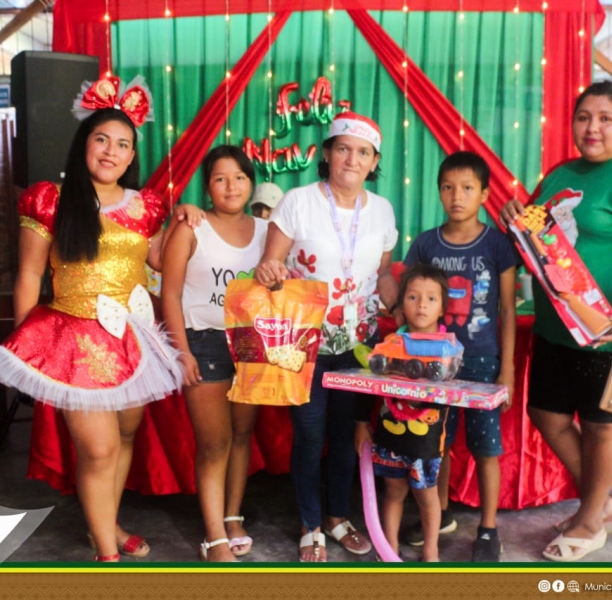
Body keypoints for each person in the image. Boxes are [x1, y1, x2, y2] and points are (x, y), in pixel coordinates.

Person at [0, 78, 190, 562]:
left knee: (123, 438)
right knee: (98, 451)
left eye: (123, 144)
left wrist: (188, 217)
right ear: (84, 144)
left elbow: (160, 262)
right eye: (102, 139)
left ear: (132, 155)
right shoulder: (50, 199)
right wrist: (27, 351)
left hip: (133, 340)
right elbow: (31, 274)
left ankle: (109, 525)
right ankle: (107, 556)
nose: (111, 151)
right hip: (73, 341)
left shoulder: (146, 206)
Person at [499, 81, 612, 561]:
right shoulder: (560, 173)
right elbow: (536, 239)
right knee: (546, 413)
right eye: (583, 116)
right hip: (556, 328)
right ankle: (599, 504)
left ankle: (590, 520)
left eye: (605, 118)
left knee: (602, 425)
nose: (592, 127)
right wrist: (514, 217)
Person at [255, 111, 398, 562]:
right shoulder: (298, 201)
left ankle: (338, 517)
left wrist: (406, 306)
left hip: (360, 344)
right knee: (310, 434)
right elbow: (270, 268)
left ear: (373, 161)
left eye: (362, 153)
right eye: (343, 149)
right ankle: (310, 523)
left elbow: (382, 275)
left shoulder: (382, 210)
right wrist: (270, 272)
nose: (351, 159)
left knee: (346, 434)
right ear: (327, 154)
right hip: (305, 343)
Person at [398, 151, 518, 562]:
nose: (457, 196)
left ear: (484, 193)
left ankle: (488, 527)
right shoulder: (426, 244)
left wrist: (508, 368)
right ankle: (442, 512)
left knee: (486, 446)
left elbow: (506, 309)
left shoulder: (498, 245)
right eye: (448, 187)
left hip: (483, 362)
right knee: (437, 441)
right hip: (433, 362)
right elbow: (407, 299)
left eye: (467, 188)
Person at [161, 145, 267, 562]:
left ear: (251, 182)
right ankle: (213, 536)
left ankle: (233, 516)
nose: (231, 186)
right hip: (202, 341)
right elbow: (169, 293)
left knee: (242, 436)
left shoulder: (265, 230)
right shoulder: (192, 228)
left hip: (249, 345)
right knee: (214, 444)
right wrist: (181, 351)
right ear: (208, 186)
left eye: (239, 177)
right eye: (220, 178)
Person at [355, 263, 451, 562]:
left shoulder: (449, 347)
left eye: (431, 299)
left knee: (427, 496)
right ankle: (389, 548)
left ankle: (431, 550)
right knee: (393, 492)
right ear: (401, 303)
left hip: (426, 441)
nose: (422, 304)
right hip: (391, 435)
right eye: (412, 297)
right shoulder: (389, 344)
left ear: (442, 308)